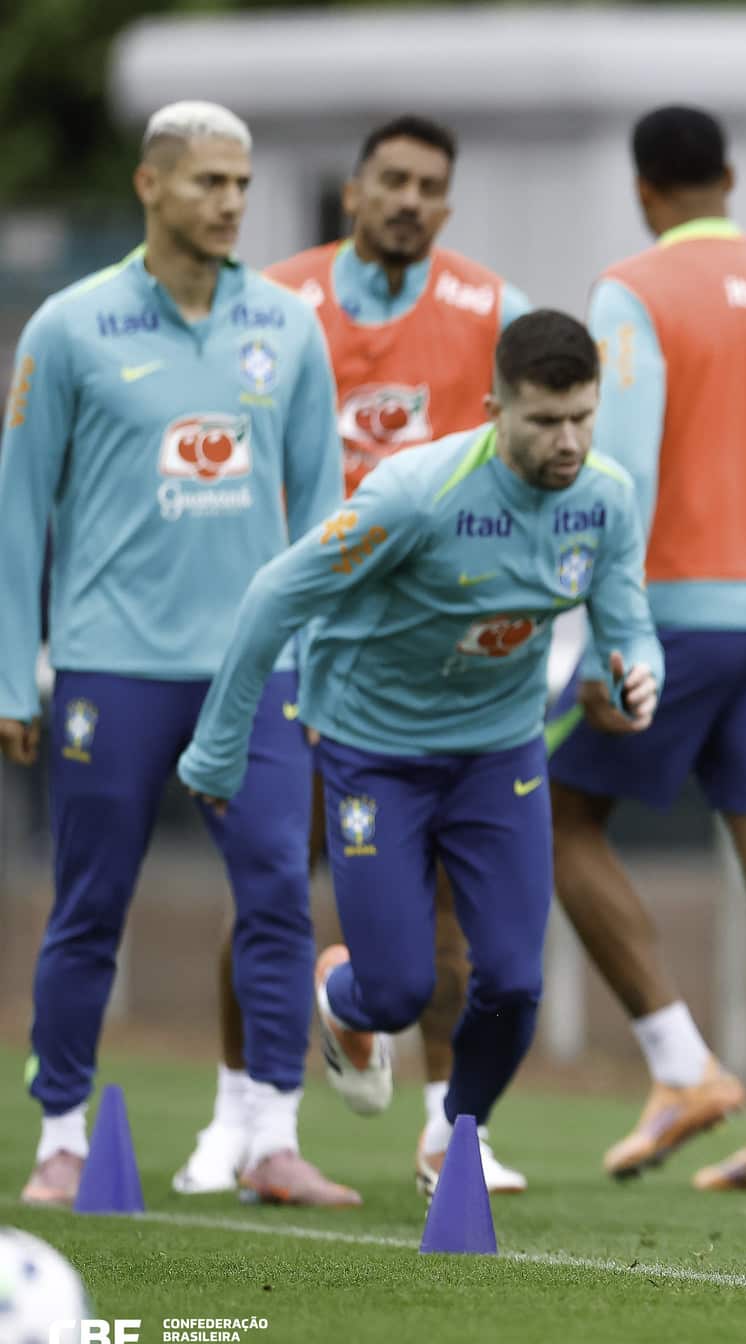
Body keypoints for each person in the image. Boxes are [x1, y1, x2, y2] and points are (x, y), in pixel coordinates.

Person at [177, 310, 662, 1195]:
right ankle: (346, 996)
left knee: (513, 981)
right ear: (493, 408)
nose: (568, 441)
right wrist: (220, 743)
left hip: (497, 752)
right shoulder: (416, 494)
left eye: (583, 418)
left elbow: (627, 622)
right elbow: (274, 595)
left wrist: (638, 672)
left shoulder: (608, 497)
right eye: (545, 420)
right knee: (398, 989)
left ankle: (453, 1137)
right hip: (376, 751)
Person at [2, 100, 354, 1208]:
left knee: (278, 900)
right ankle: (61, 1134)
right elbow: (18, 511)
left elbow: (326, 517)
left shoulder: (288, 327)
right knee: (89, 904)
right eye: (209, 182)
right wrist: (17, 670)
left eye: (243, 184)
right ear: (151, 186)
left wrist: (323, 666)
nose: (233, 203)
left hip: (253, 677)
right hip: (109, 669)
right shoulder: (67, 326)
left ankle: (271, 1138)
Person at [178, 113, 536, 1199]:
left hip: (425, 656)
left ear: (448, 202)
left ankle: (446, 1126)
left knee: (447, 908)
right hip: (303, 633)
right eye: (392, 179)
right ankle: (239, 1117)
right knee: (274, 881)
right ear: (353, 191)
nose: (410, 200)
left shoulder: (493, 311)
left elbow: (546, 448)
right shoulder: (276, 303)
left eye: (431, 184)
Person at [545, 105, 746, 1194]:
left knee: (559, 817)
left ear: (643, 190)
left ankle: (680, 1064)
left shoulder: (634, 289)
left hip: (671, 614)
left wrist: (601, 629)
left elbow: (612, 462)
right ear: (728, 177)